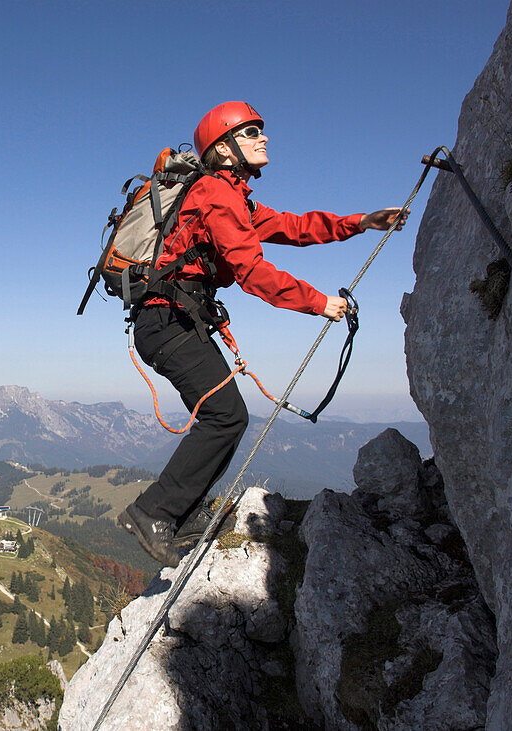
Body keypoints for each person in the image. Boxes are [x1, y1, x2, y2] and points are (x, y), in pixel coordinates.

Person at [117, 102, 407, 567]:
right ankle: (152, 512)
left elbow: (293, 226)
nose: (263, 137)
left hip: (172, 320)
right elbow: (251, 271)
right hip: (167, 321)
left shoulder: (232, 197)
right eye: (251, 132)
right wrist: (318, 302)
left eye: (259, 131)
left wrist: (361, 222)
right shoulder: (215, 193)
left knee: (227, 415)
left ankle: (180, 514)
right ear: (225, 149)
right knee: (226, 415)